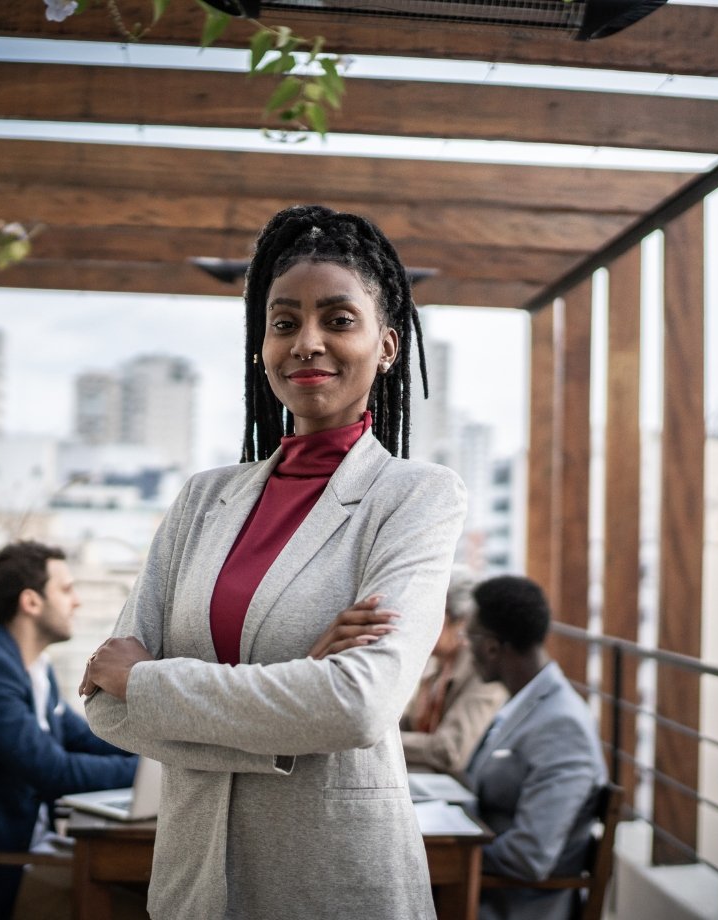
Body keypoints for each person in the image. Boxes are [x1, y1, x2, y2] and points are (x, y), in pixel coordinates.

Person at [78, 204, 468, 920]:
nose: (307, 342)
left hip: (334, 882)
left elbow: (356, 704)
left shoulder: (416, 498)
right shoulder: (202, 502)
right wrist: (294, 696)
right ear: (262, 344)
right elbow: (106, 706)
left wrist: (151, 681)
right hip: (195, 886)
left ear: (386, 346)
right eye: (284, 322)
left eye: (338, 320)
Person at [0, 540, 137, 920]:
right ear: (31, 602)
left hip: (25, 849)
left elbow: (83, 738)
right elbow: (53, 771)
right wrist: (148, 775)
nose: (77, 601)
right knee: (136, 905)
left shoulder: (32, 668)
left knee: (142, 887)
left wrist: (147, 753)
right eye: (66, 590)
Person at [464, 575, 608, 920]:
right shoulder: (528, 705)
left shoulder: (561, 724)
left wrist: (439, 856)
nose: (465, 649)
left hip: (511, 906)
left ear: (492, 647)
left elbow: (530, 856)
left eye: (468, 637)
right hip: (486, 890)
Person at [400, 573, 508, 774]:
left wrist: (387, 742)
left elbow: (450, 750)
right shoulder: (435, 664)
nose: (417, 624)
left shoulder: (482, 670)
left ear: (462, 622)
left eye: (429, 616)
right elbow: (407, 723)